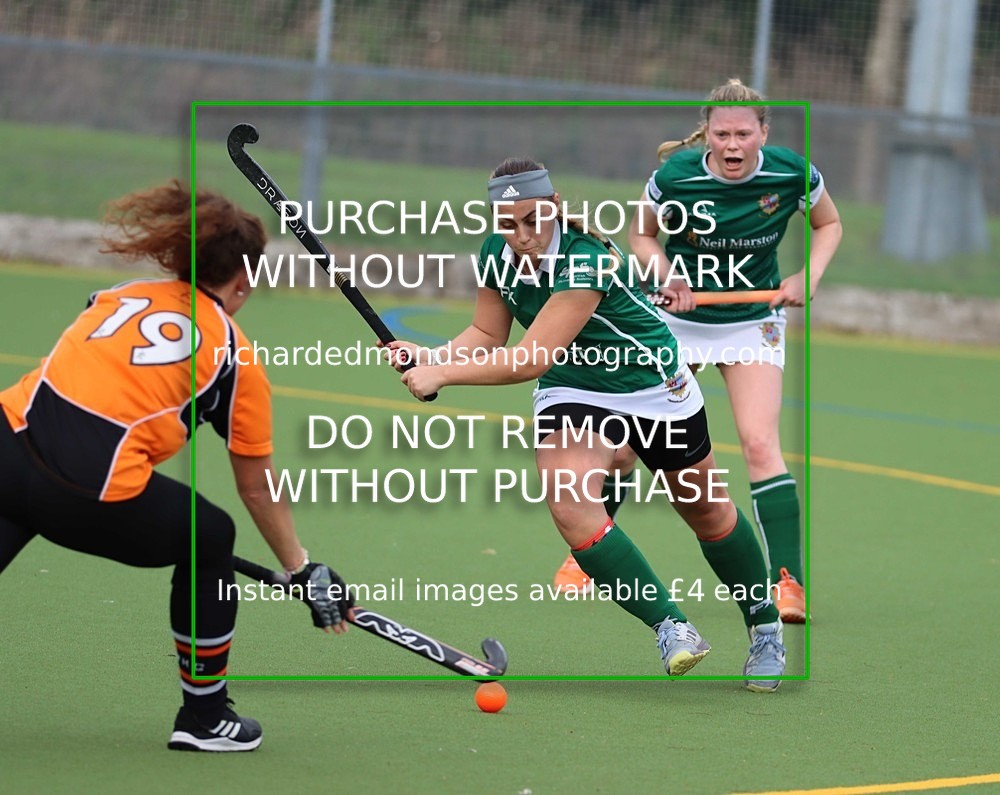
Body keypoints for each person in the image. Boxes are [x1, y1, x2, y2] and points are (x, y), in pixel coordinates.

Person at [384, 158, 786, 691]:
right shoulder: (495, 254)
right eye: (508, 223)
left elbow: (526, 359)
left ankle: (764, 625)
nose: (522, 236)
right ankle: (672, 625)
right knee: (570, 501)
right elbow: (487, 332)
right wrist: (430, 356)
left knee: (706, 511)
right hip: (572, 385)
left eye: (532, 220)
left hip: (651, 384)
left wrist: (442, 375)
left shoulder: (586, 261)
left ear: (552, 206)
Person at [0, 181, 354, 751]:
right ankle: (206, 718)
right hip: (86, 487)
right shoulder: (236, 356)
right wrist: (301, 567)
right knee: (210, 535)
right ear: (244, 281)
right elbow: (257, 488)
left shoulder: (117, 295)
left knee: (24, 495)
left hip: (9, 443)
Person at [557, 78, 841, 623]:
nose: (733, 145)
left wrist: (811, 272)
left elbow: (828, 222)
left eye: (743, 133)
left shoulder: (791, 173)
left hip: (752, 320)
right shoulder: (674, 177)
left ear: (764, 132)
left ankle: (788, 582)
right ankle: (588, 554)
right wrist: (666, 276)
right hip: (676, 322)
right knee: (622, 448)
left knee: (760, 445)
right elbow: (641, 236)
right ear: (706, 133)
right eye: (722, 133)